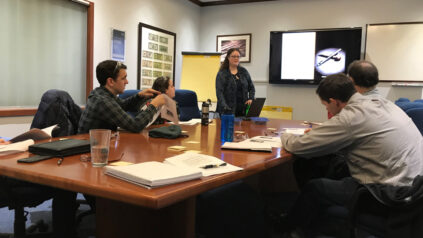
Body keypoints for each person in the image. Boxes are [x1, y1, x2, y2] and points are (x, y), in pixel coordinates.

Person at [280, 73, 423, 237]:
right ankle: (319, 221)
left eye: (326, 106)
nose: (327, 110)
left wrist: (284, 135)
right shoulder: (382, 103)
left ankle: (287, 228)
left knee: (315, 187)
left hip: (390, 193)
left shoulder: (350, 117)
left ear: (334, 102)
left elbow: (298, 146)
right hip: (415, 186)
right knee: (331, 165)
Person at [78, 60, 166, 134]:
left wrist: (139, 96)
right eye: (123, 78)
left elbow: (122, 105)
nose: (127, 82)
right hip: (90, 149)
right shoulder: (103, 101)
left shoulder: (101, 93)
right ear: (110, 81)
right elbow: (135, 126)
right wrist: (154, 105)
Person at [215, 48, 255, 117]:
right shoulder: (222, 74)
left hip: (242, 110)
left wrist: (251, 98)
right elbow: (219, 93)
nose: (236, 58)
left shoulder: (243, 71)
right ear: (228, 58)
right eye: (233, 56)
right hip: (228, 110)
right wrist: (225, 107)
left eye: (238, 56)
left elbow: (251, 88)